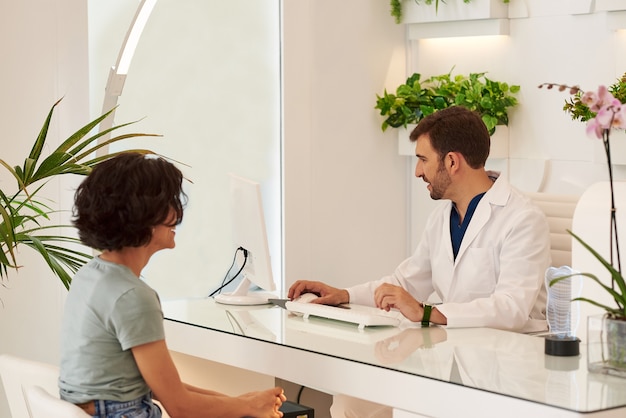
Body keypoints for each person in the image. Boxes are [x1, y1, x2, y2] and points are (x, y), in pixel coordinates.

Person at [290, 106, 551, 417]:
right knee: (350, 403)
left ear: (452, 161)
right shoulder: (443, 215)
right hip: (451, 358)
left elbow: (511, 308)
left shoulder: (523, 218)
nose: (417, 172)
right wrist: (343, 295)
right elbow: (405, 283)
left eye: (423, 160)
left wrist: (428, 312)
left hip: (503, 371)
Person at [59, 152, 286, 418]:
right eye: (169, 203)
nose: (177, 213)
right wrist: (247, 406)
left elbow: (162, 388)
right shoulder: (133, 296)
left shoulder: (91, 275)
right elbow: (181, 407)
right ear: (141, 214)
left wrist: (242, 401)